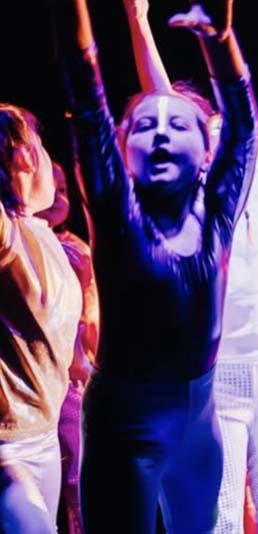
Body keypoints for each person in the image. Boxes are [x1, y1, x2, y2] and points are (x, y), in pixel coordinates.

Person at [51, 0, 258, 530]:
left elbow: (244, 126)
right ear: (121, 149)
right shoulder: (115, 210)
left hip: (199, 420)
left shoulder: (218, 213)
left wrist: (220, 38)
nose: (162, 134)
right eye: (145, 125)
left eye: (179, 125)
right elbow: (86, 93)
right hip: (127, 422)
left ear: (207, 150)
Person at [0, 103, 82, 533]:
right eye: (41, 146)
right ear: (25, 156)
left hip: (44, 435)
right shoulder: (7, 232)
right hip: (7, 446)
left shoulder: (40, 233)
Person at [35, 163, 99, 534]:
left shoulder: (77, 247)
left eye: (64, 189)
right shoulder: (26, 242)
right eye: (53, 186)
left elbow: (91, 317)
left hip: (77, 379)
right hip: (46, 381)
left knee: (79, 482)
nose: (59, 197)